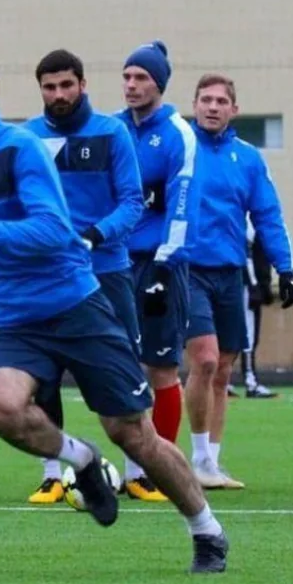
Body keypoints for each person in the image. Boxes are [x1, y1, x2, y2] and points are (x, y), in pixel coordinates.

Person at [0, 43, 227, 571]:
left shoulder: (21, 147)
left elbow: (56, 229)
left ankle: (206, 528)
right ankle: (78, 460)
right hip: (14, 319)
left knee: (133, 434)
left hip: (76, 304)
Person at [23, 49, 167, 503]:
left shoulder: (112, 132)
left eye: (67, 85)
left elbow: (132, 202)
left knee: (124, 367)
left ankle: (137, 472)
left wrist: (93, 235)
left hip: (107, 270)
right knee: (42, 373)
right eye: (50, 87)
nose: (59, 94)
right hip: (47, 276)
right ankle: (51, 473)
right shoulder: (26, 138)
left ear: (83, 84)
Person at [185, 74, 293, 489]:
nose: (212, 107)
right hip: (187, 270)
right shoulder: (181, 149)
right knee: (205, 359)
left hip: (230, 273)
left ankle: (212, 463)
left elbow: (267, 214)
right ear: (194, 105)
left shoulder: (248, 159)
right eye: (205, 100)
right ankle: (195, 459)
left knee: (223, 369)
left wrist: (286, 268)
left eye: (221, 101)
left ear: (234, 110)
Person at [114, 41, 198, 459]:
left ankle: (162, 463)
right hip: (113, 263)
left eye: (141, 77)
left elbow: (182, 205)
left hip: (158, 264)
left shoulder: (177, 134)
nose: (131, 85)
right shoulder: (111, 129)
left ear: (159, 83)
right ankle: (133, 463)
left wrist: (166, 266)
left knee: (161, 365)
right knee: (118, 365)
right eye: (127, 76)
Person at [232, 223, 278, 399]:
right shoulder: (242, 220)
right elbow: (247, 256)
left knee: (241, 334)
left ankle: (228, 380)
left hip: (244, 283)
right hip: (243, 285)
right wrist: (255, 285)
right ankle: (250, 381)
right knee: (247, 335)